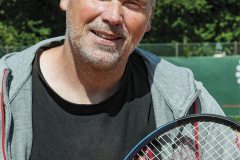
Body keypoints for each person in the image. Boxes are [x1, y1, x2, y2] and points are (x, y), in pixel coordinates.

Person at [0, 0, 225, 159]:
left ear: (149, 18)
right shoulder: (5, 93)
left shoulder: (189, 103)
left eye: (132, 3)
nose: (113, 16)